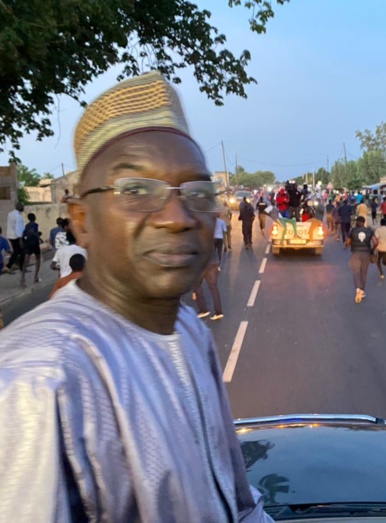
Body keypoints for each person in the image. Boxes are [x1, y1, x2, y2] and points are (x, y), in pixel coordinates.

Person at [0, 72, 270, 522]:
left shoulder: (188, 330)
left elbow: (239, 504)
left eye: (197, 193)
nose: (177, 218)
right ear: (81, 220)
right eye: (137, 191)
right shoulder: (38, 378)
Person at [346, 216, 377, 303]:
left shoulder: (353, 230)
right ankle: (362, 290)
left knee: (356, 272)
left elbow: (347, 242)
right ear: (364, 222)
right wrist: (372, 250)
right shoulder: (369, 231)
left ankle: (357, 289)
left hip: (355, 253)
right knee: (364, 273)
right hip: (366, 254)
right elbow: (375, 242)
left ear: (357, 222)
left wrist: (350, 245)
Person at [193, 249, 224, 320]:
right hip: (213, 262)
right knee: (213, 287)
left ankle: (203, 309)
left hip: (202, 264)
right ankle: (218, 312)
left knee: (196, 285)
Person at [20, 212, 43, 286]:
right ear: (34, 218)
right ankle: (36, 277)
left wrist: (23, 242)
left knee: (26, 261)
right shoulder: (35, 225)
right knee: (38, 259)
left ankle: (23, 278)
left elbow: (24, 234)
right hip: (34, 243)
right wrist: (39, 238)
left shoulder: (26, 225)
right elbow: (33, 232)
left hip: (28, 243)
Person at [5, 202, 24, 274]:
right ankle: (18, 267)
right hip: (16, 236)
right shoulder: (18, 217)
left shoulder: (10, 213)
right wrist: (21, 239)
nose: (23, 208)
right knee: (20, 252)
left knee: (17, 251)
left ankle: (13, 265)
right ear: (20, 208)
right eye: (22, 207)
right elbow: (19, 229)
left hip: (10, 235)